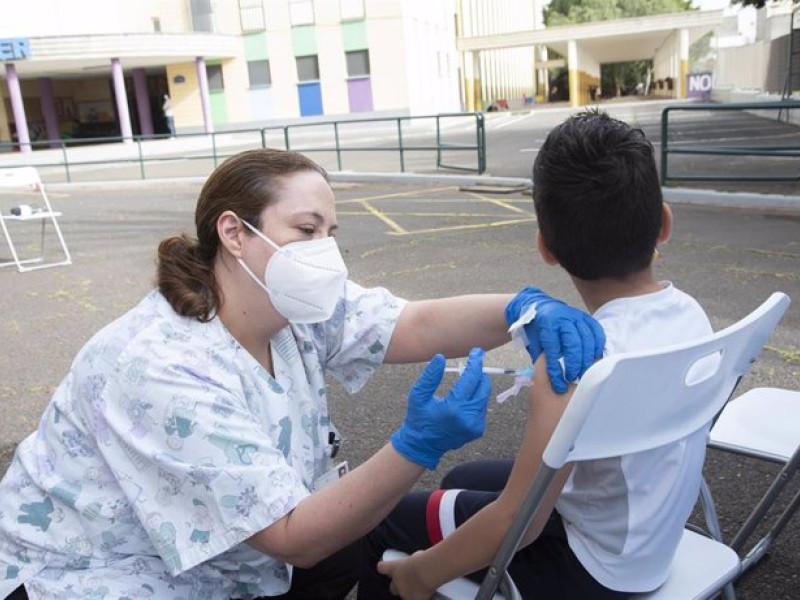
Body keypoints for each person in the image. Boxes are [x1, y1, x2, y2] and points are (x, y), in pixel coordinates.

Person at [0, 148, 604, 599]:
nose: (325, 253)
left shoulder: (291, 306)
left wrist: (519, 309)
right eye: (306, 230)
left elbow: (411, 323)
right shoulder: (161, 366)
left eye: (329, 233)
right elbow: (293, 536)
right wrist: (418, 444)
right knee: (334, 546)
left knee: (353, 545)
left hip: (233, 555)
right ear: (234, 232)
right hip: (101, 574)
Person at [364, 111, 714, 599]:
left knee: (381, 525)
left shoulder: (573, 365)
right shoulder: (692, 315)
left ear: (545, 247)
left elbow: (519, 523)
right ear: (663, 224)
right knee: (465, 476)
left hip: (589, 570)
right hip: (649, 535)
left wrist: (420, 574)